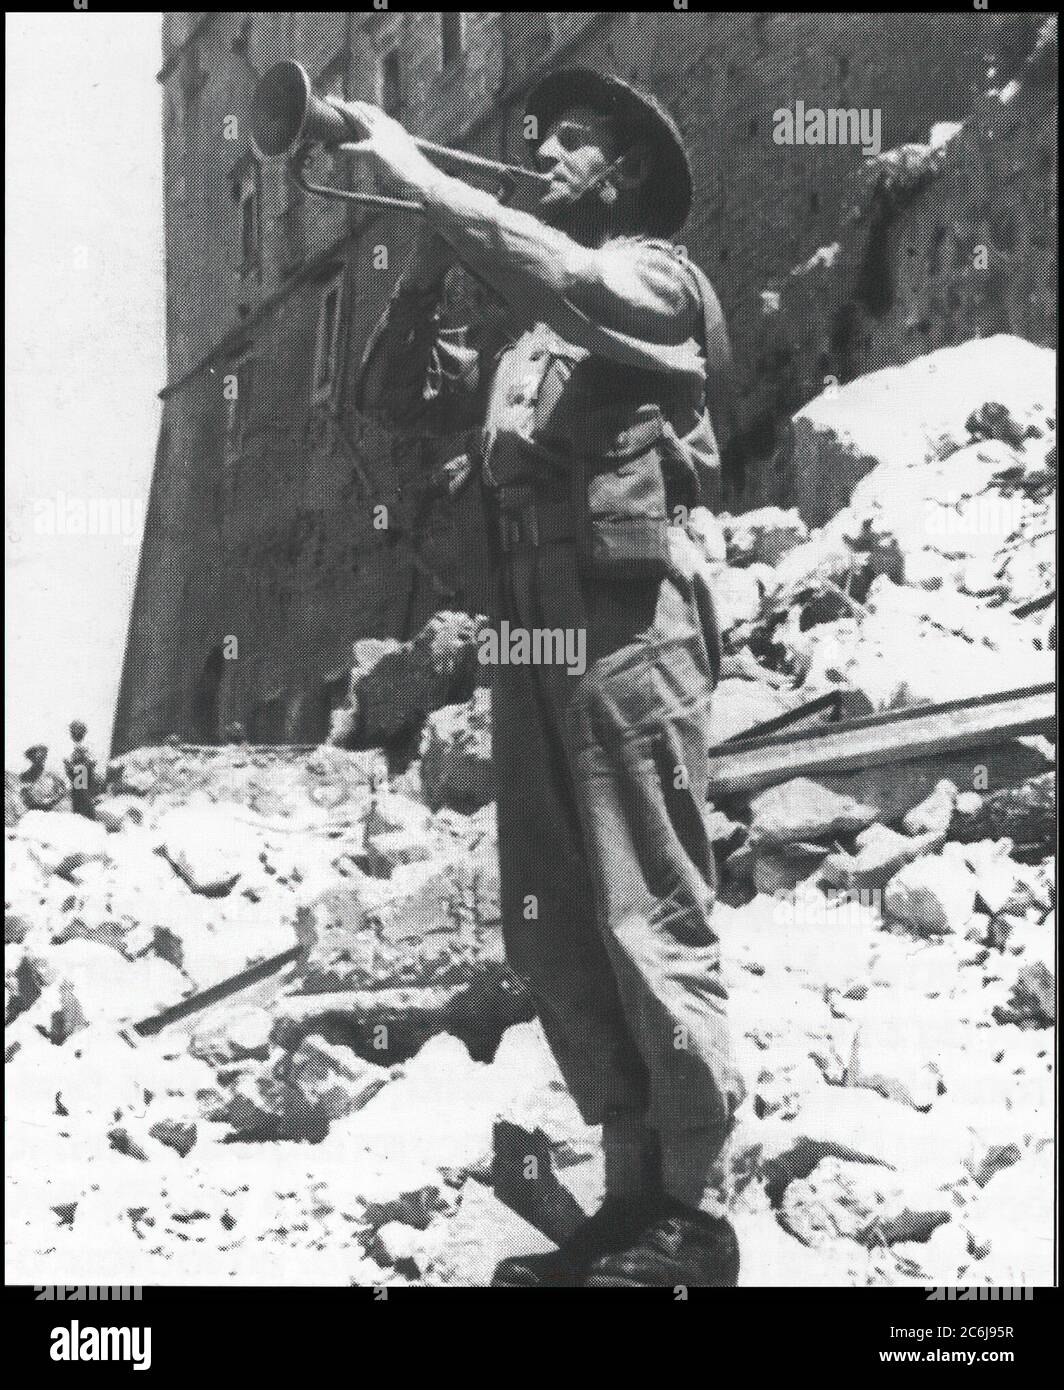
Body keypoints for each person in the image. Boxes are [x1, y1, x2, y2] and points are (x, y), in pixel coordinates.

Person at [347, 66, 744, 1287]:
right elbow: (387, 398)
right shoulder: (521, 334)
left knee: (646, 900)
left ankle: (697, 1205)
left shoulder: (653, 280)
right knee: (555, 910)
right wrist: (423, 252)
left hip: (627, 620)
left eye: (571, 144)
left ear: (622, 175)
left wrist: (424, 175)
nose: (544, 155)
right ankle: (630, 1199)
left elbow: (569, 278)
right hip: (527, 626)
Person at [64, 720, 98, 819]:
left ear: (83, 732)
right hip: (75, 775)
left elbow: (92, 762)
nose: (75, 733)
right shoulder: (69, 746)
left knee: (84, 796)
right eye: (73, 731)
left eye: (78, 730)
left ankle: (88, 816)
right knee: (77, 798)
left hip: (84, 774)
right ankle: (79, 816)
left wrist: (83, 765)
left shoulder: (89, 744)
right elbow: (66, 762)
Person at [20, 744, 68, 812]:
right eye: (34, 758)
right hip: (33, 811)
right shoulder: (25, 776)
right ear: (30, 759)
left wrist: (52, 801)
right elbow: (24, 796)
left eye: (42, 757)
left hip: (52, 810)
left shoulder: (53, 774)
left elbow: (62, 790)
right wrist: (37, 805)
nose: (39, 760)